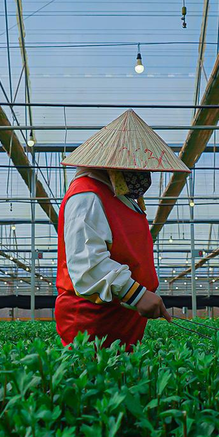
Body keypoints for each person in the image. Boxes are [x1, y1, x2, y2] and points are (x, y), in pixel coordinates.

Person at [54, 110, 189, 351]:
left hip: (120, 319)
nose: (142, 176)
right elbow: (88, 264)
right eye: (134, 167)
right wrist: (136, 294)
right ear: (112, 164)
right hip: (92, 322)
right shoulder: (87, 196)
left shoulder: (118, 197)